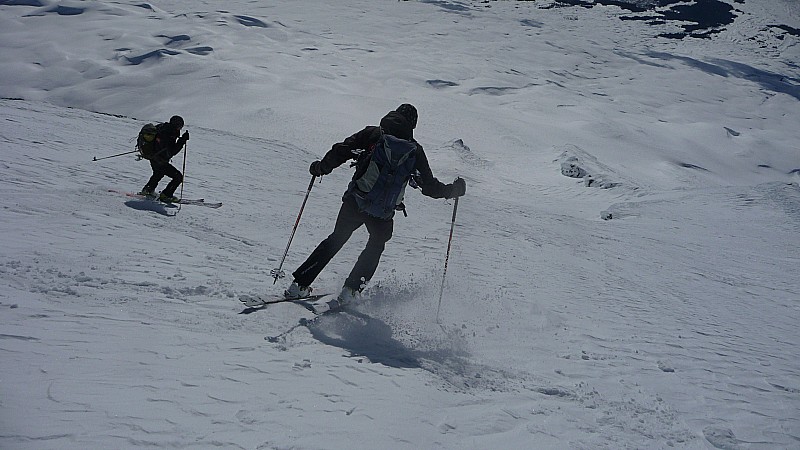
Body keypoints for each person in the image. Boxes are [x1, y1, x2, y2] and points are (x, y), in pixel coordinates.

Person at [284, 104, 467, 306]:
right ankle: (351, 291)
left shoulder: (374, 134)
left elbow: (341, 151)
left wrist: (320, 168)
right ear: (413, 125)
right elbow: (430, 187)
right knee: (376, 245)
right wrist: (454, 190)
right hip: (383, 214)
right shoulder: (415, 151)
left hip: (356, 201)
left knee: (337, 238)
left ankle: (299, 285)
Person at [139, 115, 189, 203]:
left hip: (153, 157)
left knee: (158, 173)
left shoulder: (162, 128)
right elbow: (171, 151)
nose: (180, 129)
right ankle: (166, 195)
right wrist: (182, 141)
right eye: (180, 126)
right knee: (178, 177)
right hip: (160, 160)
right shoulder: (170, 134)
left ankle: (148, 190)